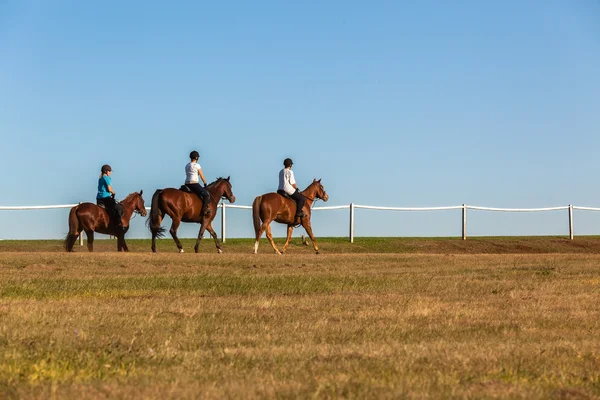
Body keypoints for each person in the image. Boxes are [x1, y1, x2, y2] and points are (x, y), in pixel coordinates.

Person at [96, 164, 124, 231]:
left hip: (99, 199)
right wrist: (114, 192)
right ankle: (118, 224)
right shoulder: (107, 178)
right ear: (106, 171)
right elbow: (109, 189)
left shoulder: (100, 178)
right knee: (119, 208)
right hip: (106, 198)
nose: (110, 172)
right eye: (109, 171)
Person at [185, 150, 211, 217]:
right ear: (196, 158)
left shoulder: (187, 165)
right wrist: (205, 183)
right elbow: (201, 175)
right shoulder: (197, 165)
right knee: (206, 195)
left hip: (187, 184)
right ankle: (204, 210)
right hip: (194, 184)